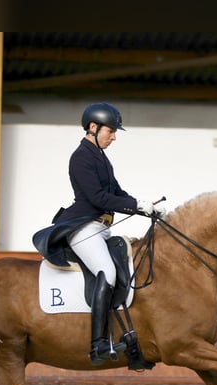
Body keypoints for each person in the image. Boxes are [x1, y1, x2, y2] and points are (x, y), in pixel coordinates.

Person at [51, 102, 165, 365]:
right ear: (93, 127)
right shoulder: (80, 157)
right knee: (108, 271)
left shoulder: (101, 156)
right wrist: (134, 205)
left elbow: (117, 193)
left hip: (101, 228)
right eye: (111, 131)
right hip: (83, 227)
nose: (114, 137)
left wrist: (144, 206)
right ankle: (98, 344)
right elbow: (98, 197)